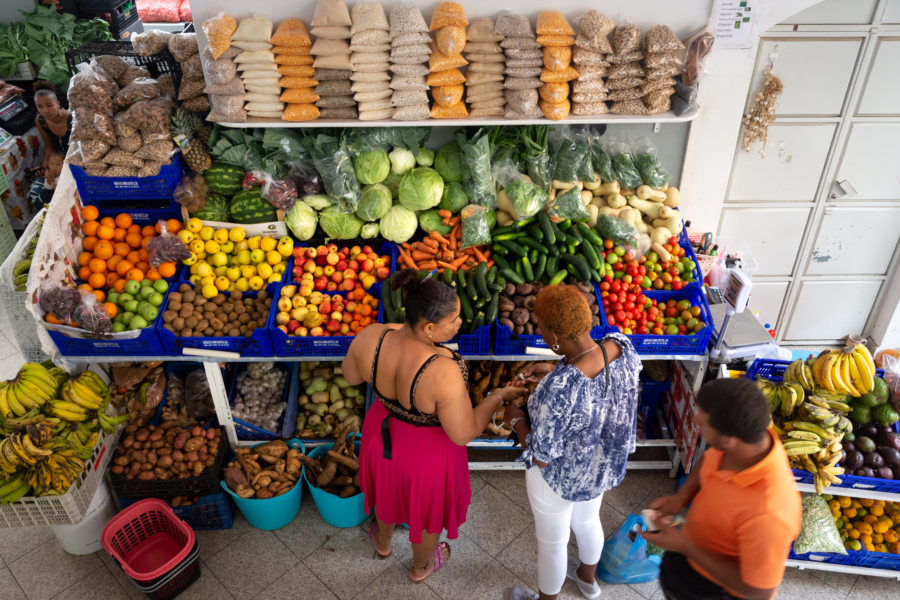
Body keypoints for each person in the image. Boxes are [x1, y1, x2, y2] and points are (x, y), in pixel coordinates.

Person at [341, 269, 526, 583]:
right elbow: (463, 432)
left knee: (385, 492)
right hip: (425, 452)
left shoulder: (372, 335)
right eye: (453, 320)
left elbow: (351, 376)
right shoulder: (443, 368)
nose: (459, 324)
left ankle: (382, 543)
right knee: (428, 517)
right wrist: (497, 396)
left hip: (380, 432)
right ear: (428, 327)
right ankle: (420, 567)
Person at [503, 284, 643, 600]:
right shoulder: (622, 345)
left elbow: (541, 455)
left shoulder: (560, 389)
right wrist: (556, 368)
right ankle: (586, 580)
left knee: (552, 544)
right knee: (588, 520)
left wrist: (515, 418)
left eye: (542, 330)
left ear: (553, 337)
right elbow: (590, 377)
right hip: (601, 467)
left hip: (559, 479)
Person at [642, 378, 802, 600]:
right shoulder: (748, 439)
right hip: (689, 554)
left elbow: (759, 592)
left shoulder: (770, 513)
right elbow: (709, 458)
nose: (696, 422)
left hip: (716, 591)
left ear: (730, 440)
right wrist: (681, 497)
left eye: (702, 425)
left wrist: (685, 546)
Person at [33, 82, 71, 167]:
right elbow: (49, 144)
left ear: (58, 104)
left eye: (49, 105)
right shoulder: (40, 121)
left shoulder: (72, 119)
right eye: (40, 106)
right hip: (58, 159)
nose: (45, 110)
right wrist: (45, 164)